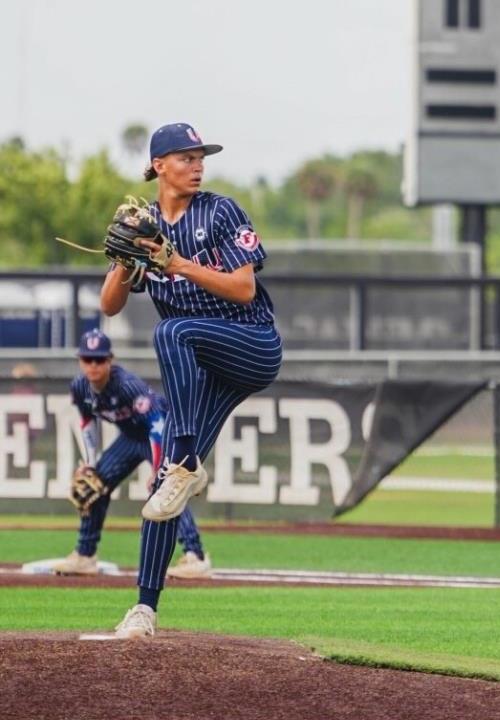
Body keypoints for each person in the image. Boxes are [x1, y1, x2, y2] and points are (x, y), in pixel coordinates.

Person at [101, 122, 282, 638]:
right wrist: (122, 263)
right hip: (201, 371)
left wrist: (175, 262)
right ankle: (144, 609)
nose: (198, 164)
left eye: (201, 156)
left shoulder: (219, 211)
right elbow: (109, 306)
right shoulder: (146, 224)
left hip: (252, 346)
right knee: (163, 488)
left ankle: (183, 459)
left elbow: (245, 288)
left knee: (172, 330)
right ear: (159, 165)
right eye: (186, 157)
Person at [53, 328, 211, 579]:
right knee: (94, 485)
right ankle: (85, 555)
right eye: (87, 359)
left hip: (163, 432)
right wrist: (90, 463)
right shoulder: (80, 387)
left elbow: (157, 426)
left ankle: (196, 556)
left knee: (168, 487)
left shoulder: (127, 386)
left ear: (110, 360)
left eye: (99, 359)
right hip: (131, 437)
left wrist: (159, 468)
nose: (93, 365)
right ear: (80, 361)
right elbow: (87, 424)